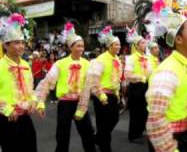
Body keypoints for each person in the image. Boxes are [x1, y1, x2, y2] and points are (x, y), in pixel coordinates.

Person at [135, 0, 187, 152]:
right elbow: (155, 120)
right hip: (167, 137)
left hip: (184, 134)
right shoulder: (167, 72)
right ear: (179, 40)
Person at [35, 22, 96, 152]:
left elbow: (91, 84)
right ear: (70, 47)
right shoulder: (60, 63)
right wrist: (40, 102)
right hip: (65, 104)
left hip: (81, 102)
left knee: (88, 133)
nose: (81, 49)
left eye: (82, 46)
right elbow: (47, 82)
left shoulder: (87, 63)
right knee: (63, 135)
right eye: (78, 46)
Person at [0, 13, 38, 152]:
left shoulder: (26, 65)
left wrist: (33, 101)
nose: (21, 46)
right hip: (6, 118)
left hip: (25, 116)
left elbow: (31, 88)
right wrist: (6, 109)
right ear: (5, 45)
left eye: (22, 42)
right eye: (16, 42)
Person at [82, 26, 122, 152]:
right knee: (103, 123)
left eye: (119, 44)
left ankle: (98, 138)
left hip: (113, 94)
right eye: (116, 44)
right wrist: (100, 95)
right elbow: (94, 80)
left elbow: (116, 79)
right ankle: (104, 146)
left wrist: (118, 94)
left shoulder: (117, 59)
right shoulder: (100, 60)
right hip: (102, 95)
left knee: (114, 118)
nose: (119, 46)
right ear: (109, 46)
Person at [125, 24, 151, 143]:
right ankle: (133, 135)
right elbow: (127, 75)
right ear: (136, 45)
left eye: (145, 43)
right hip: (136, 87)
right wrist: (140, 77)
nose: (145, 45)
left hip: (146, 87)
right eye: (142, 43)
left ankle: (140, 131)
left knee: (144, 111)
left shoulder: (147, 57)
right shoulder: (131, 58)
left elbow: (150, 72)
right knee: (135, 112)